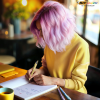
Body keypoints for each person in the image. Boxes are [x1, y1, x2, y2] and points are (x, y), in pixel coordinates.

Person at [25, 1, 90, 94]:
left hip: (73, 95)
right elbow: (47, 68)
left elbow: (78, 82)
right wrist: (39, 72)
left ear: (56, 28)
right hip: (53, 91)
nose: (41, 35)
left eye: (43, 30)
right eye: (39, 30)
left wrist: (53, 81)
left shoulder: (81, 46)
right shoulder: (51, 41)